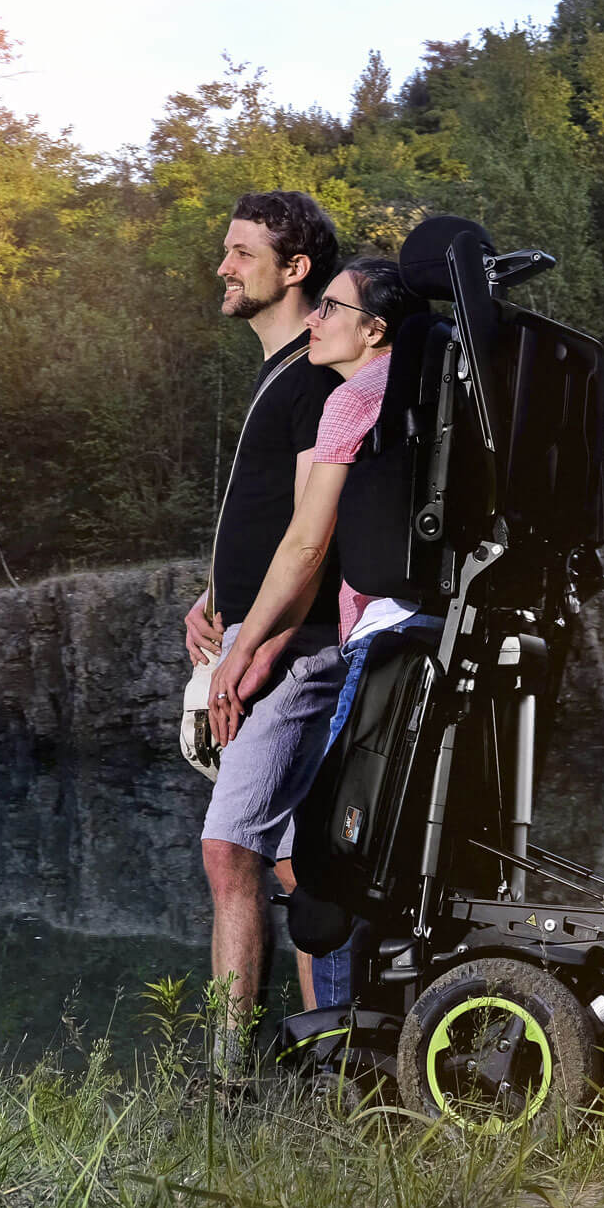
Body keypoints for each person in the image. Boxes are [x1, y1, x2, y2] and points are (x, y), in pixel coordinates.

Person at [205, 255, 424, 1009]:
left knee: (327, 857)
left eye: (331, 308)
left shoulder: (352, 398)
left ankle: (333, 1046)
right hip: (429, 637)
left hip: (366, 641)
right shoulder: (429, 393)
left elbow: (306, 544)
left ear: (375, 329)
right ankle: (351, 1033)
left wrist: (243, 650)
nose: (315, 321)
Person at [182, 191, 347, 1060]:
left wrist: (259, 649)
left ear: (295, 269)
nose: (224, 266)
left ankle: (228, 1078)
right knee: (291, 862)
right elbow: (264, 519)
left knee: (229, 849)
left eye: (242, 252)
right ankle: (330, 1060)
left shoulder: (315, 377)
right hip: (258, 636)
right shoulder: (283, 370)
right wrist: (212, 595)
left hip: (293, 647)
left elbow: (314, 537)